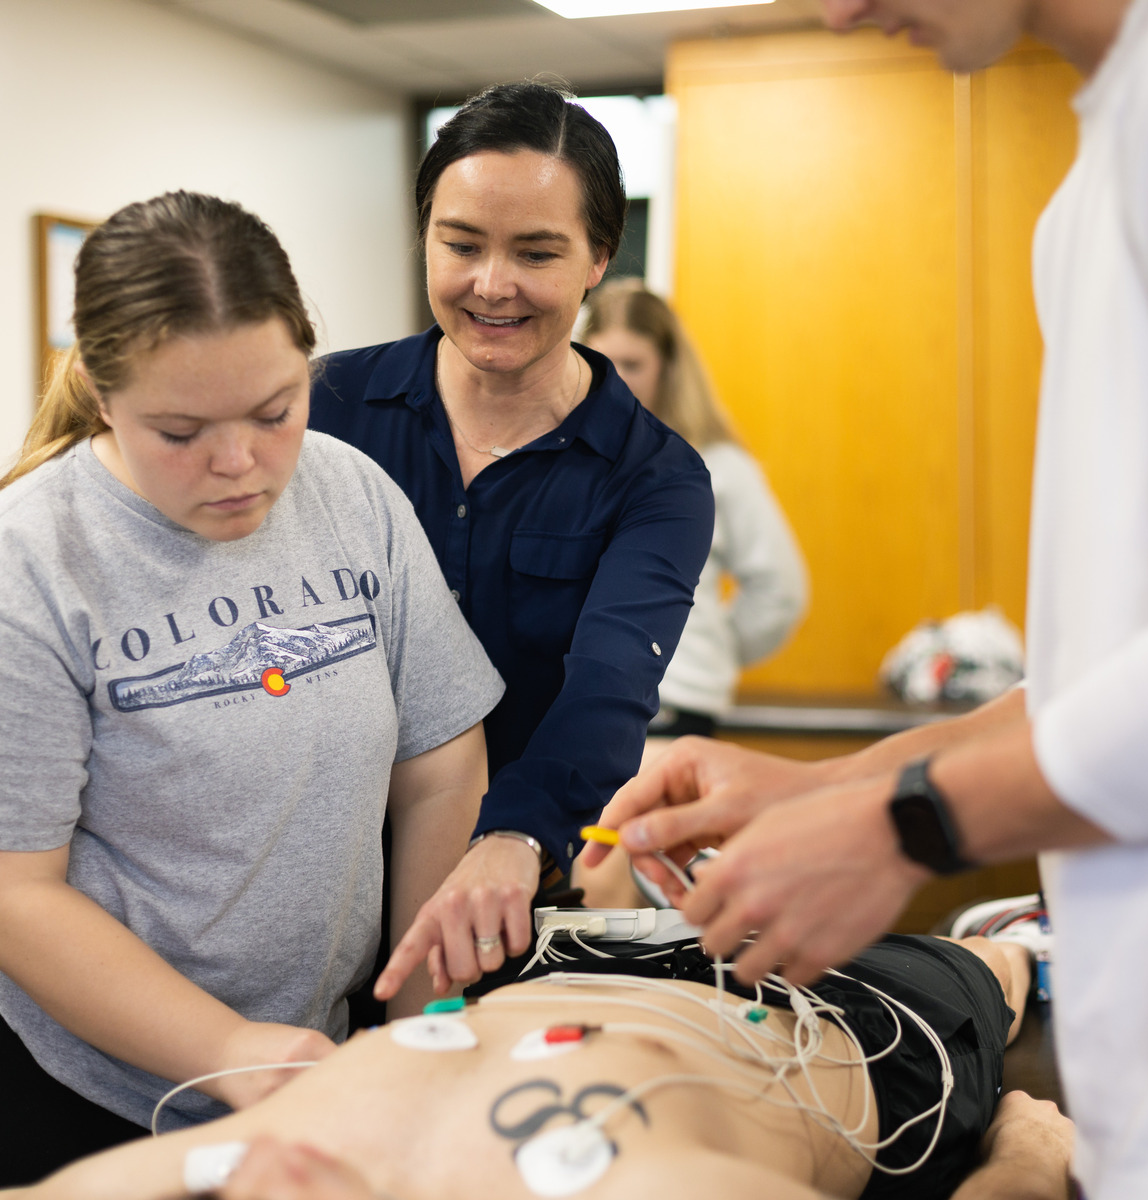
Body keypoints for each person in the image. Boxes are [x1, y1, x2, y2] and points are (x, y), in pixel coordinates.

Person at [584, 1, 1148, 1196]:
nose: (837, 10)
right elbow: (1091, 690)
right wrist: (831, 787)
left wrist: (906, 826)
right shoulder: (1093, 188)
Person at [0, 191, 504, 1184]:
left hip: (320, 1051)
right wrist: (230, 1050)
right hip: (89, 1094)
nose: (240, 467)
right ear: (102, 392)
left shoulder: (351, 491)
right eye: (180, 431)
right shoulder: (31, 563)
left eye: (275, 412)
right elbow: (18, 895)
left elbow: (440, 764)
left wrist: (413, 1008)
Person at [308, 81, 714, 1000]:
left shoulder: (655, 478)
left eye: (536, 252)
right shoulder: (322, 408)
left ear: (598, 258)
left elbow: (607, 691)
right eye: (460, 245)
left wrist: (513, 839)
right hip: (295, 887)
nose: (492, 285)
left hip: (497, 893)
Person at [1, 928, 1077, 1200]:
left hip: (547, 965)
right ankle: (1018, 947)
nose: (264, 1175)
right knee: (985, 964)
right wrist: (1024, 1166)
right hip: (845, 1028)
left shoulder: (137, 1184)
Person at [581, 280, 808, 741]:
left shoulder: (719, 466)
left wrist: (708, 648)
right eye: (603, 362)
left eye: (633, 364)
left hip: (672, 712)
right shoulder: (566, 457)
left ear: (667, 368)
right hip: (576, 707)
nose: (616, 380)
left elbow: (780, 592)